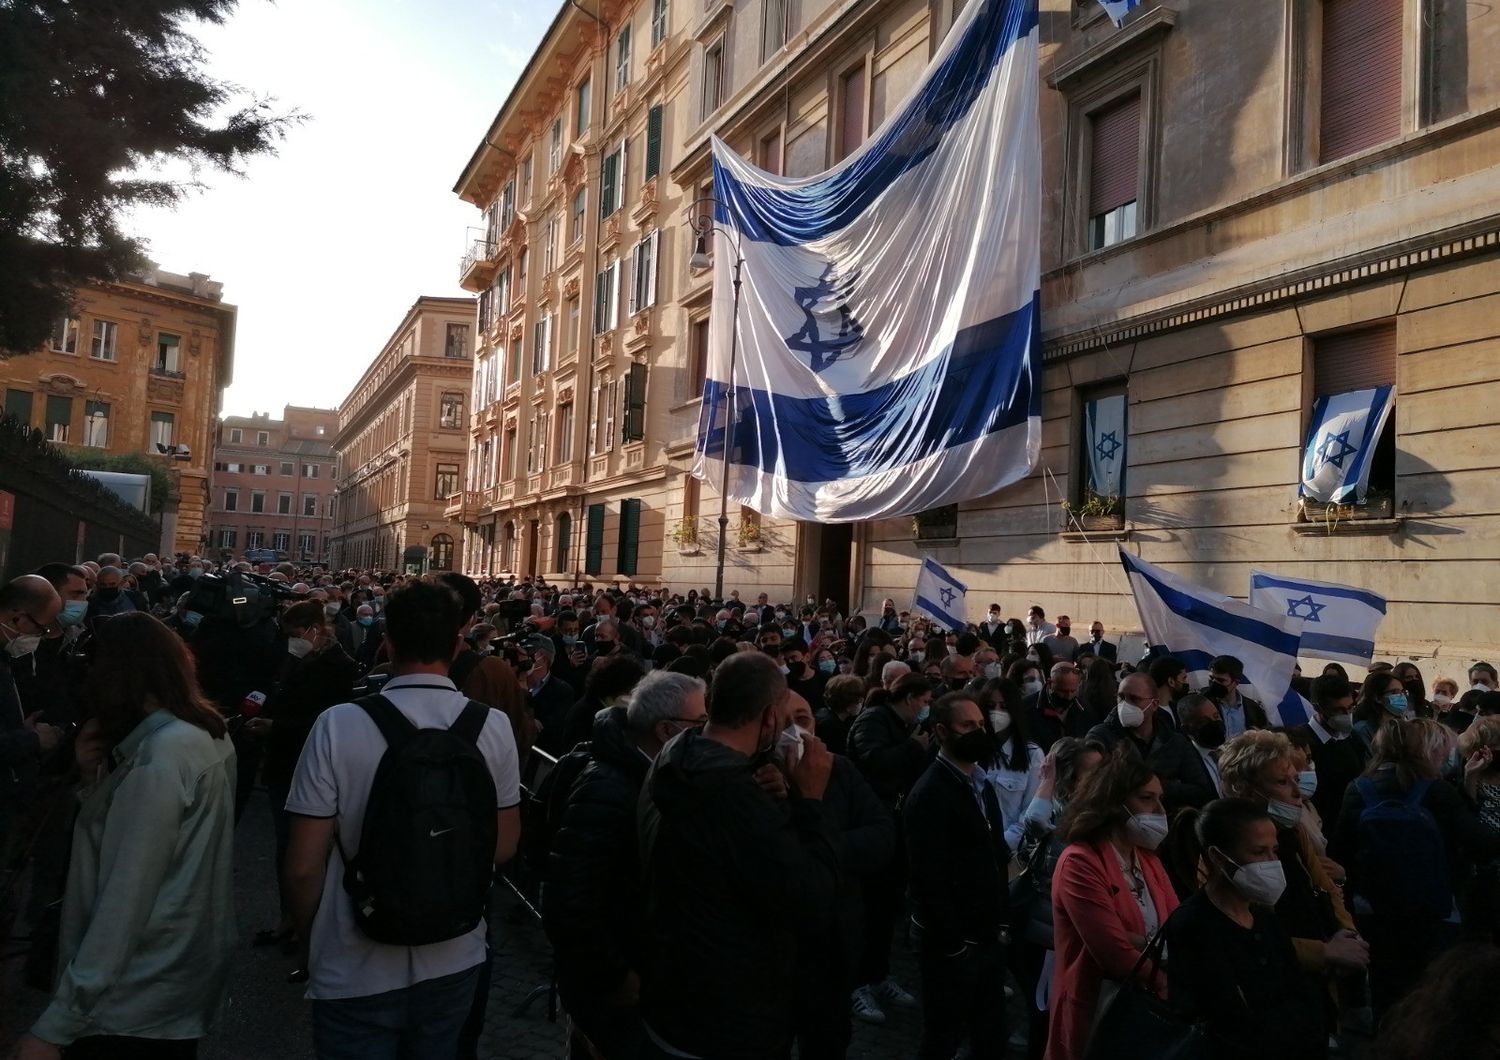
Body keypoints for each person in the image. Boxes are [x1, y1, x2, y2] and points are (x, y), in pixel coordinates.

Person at [282, 580, 523, 1059]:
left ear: (387, 642)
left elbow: (304, 865)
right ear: (458, 643)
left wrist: (311, 936)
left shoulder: (337, 724)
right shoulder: (491, 726)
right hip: (456, 950)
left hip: (355, 955)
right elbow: (503, 845)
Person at [18, 612, 236, 1060]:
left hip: (132, 994)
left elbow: (126, 894)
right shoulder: (200, 735)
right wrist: (92, 777)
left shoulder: (161, 757)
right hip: (170, 979)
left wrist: (57, 1024)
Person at [636, 651, 837, 1060]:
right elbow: (810, 898)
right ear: (768, 718)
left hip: (670, 992)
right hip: (730, 1017)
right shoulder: (736, 798)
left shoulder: (677, 753)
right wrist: (811, 801)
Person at [544, 671, 709, 1060]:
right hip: (612, 982)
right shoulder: (610, 786)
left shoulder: (656, 773)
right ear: (667, 729)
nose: (706, 732)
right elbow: (570, 898)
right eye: (699, 723)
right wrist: (615, 975)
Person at [1330, 718, 1500, 1016]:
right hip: (1433, 910)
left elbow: (1340, 851)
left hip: (1374, 908)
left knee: (1386, 989)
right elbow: (1480, 845)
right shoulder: (1436, 791)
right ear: (1427, 751)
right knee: (1429, 993)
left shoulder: (1359, 788)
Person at [1164, 799, 1328, 1058]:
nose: (1272, 862)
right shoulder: (1193, 925)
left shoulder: (1263, 916)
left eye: (1274, 851)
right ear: (1219, 857)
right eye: (1259, 852)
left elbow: (1298, 989)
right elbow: (1224, 1019)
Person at [1045, 748, 1179, 1060]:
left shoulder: (1147, 858)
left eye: (1160, 798)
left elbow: (1175, 928)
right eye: (1146, 799)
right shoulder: (1080, 862)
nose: (1160, 809)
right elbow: (1113, 952)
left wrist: (1142, 942)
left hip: (1145, 1014)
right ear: (1114, 803)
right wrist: (1169, 985)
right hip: (1099, 1011)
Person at [782, 692, 896, 1060]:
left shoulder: (839, 769)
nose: (795, 731)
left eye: (803, 718)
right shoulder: (752, 780)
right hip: (777, 954)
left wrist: (822, 847)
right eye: (783, 722)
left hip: (835, 945)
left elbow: (881, 836)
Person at [904, 692, 1011, 1059]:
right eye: (968, 726)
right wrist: (953, 944)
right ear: (941, 731)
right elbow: (927, 877)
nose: (979, 731)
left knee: (990, 1032)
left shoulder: (980, 783)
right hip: (951, 943)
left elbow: (992, 854)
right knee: (943, 1036)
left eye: (980, 724)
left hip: (984, 934)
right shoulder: (930, 793)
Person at [1215, 730, 1368, 981]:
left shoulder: (1293, 831)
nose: (1298, 792)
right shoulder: (1227, 848)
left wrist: (1348, 933)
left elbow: (1326, 887)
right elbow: (1243, 932)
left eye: (1296, 779)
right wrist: (1324, 952)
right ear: (1245, 790)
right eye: (1282, 782)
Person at [253, 599, 359, 950]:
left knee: (305, 850)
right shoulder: (298, 658)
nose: (291, 640)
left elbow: (326, 720)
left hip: (307, 762)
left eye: (296, 634)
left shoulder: (336, 665)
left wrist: (276, 727)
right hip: (285, 761)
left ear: (315, 630)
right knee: (286, 847)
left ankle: (308, 927)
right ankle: (291, 919)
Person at [846, 673, 932, 1024]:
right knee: (866, 908)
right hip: (870, 824)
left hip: (896, 825)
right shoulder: (874, 720)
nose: (927, 708)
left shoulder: (906, 726)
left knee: (885, 908)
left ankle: (879, 975)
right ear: (909, 698)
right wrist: (914, 747)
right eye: (925, 701)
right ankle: (856, 983)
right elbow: (874, 760)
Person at [1085, 671, 1212, 812]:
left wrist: (1158, 788)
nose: (1125, 705)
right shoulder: (1101, 736)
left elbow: (1200, 791)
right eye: (1121, 698)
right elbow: (1090, 787)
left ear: (1154, 704)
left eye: (1134, 699)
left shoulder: (1176, 742)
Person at [1288, 673, 1369, 828]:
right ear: (1318, 707)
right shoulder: (1301, 743)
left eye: (1350, 708)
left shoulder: (1353, 739)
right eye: (1338, 710)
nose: (1346, 715)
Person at [977, 677, 1043, 849]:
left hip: (1009, 849)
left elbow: (1030, 811)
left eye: (1004, 707)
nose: (996, 712)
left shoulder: (1032, 754)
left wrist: (1002, 843)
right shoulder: (972, 749)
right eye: (990, 706)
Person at [522, 634, 577, 755]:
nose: (521, 659)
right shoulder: (512, 683)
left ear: (543, 659)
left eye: (527, 654)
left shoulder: (562, 691)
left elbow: (550, 729)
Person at [1175, 692, 1226, 801]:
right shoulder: (1183, 762)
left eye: (1216, 716)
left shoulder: (1234, 751)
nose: (1214, 723)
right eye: (1203, 722)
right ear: (1187, 729)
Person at [1026, 662, 1088, 751]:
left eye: (1073, 691)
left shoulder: (1084, 709)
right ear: (1049, 683)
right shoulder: (1028, 708)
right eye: (1063, 691)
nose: (1068, 696)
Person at [1206, 655, 1268, 737]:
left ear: (1236, 682)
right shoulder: (1202, 704)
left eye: (1221, 680)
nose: (1214, 683)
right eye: (1211, 678)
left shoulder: (1253, 709)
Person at [1353, 670, 1410, 753]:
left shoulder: (1402, 725)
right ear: (1378, 698)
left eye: (1402, 692)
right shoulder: (1363, 730)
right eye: (1395, 692)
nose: (1401, 696)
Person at [815, 673, 865, 757]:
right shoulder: (833, 728)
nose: (861, 703)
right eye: (858, 700)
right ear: (848, 703)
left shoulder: (823, 714)